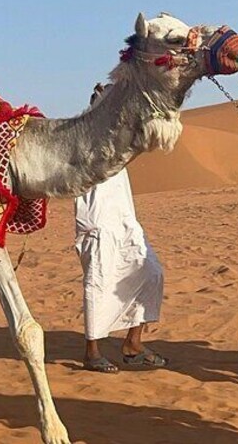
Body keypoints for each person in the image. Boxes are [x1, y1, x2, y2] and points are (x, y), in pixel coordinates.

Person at [74, 84, 169, 373]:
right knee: (99, 283)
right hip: (99, 223)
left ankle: (133, 344)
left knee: (151, 273)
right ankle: (92, 352)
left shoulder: (119, 140)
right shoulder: (84, 141)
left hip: (126, 222)